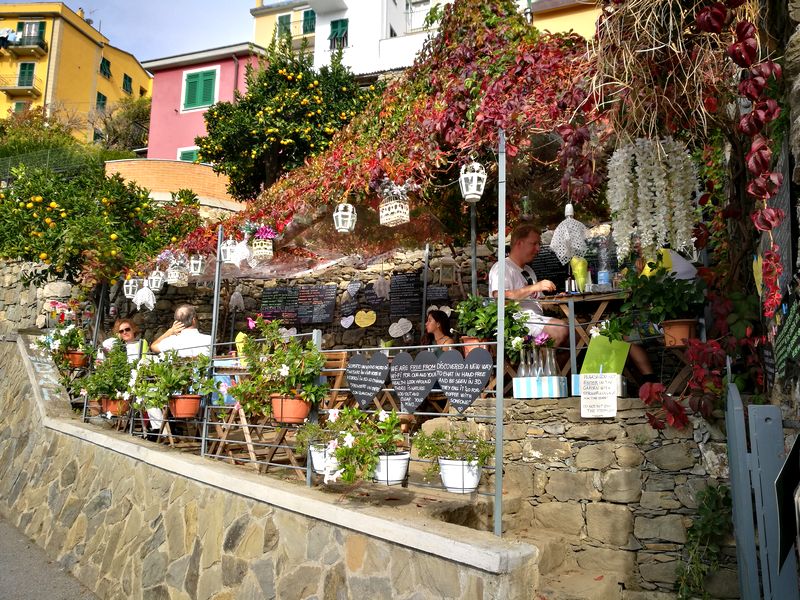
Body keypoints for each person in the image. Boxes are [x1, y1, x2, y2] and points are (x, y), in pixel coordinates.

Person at [488, 223, 569, 348]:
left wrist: (558, 299)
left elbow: (539, 302)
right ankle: (538, 365)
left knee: (576, 331)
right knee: (560, 329)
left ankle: (552, 366)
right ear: (519, 243)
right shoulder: (502, 268)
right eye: (534, 244)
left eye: (539, 244)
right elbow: (501, 298)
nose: (538, 249)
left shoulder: (529, 271)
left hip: (535, 320)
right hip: (516, 323)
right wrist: (535, 287)